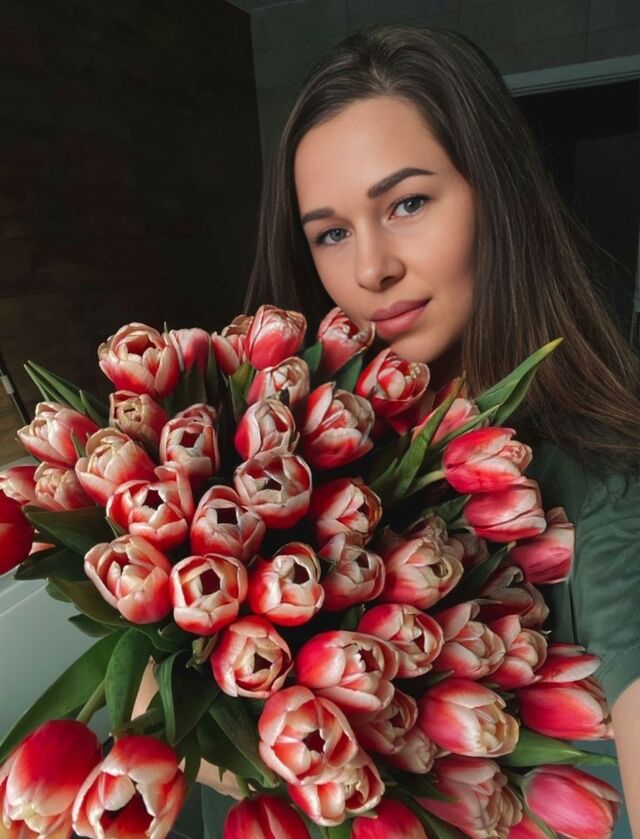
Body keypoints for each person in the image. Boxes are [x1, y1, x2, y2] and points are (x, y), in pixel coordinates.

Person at [193, 23, 639, 837]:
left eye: (407, 203)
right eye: (331, 232)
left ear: (498, 195)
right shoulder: (281, 461)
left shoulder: (603, 481)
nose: (371, 270)